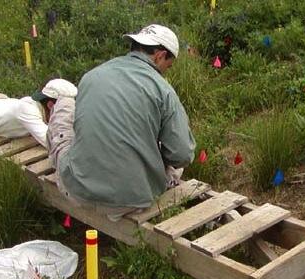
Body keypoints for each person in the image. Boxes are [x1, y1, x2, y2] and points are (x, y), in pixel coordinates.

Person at [47, 24, 196, 222]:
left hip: (78, 190)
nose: (165, 72)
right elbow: (182, 154)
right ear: (160, 56)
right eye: (168, 66)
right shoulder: (164, 90)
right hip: (135, 198)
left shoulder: (91, 76)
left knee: (66, 103)